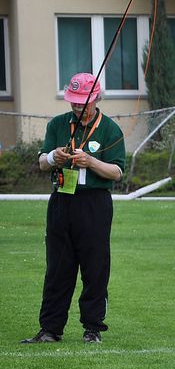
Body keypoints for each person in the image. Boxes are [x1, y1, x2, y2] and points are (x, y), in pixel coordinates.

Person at [21, 73, 126, 344]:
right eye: (74, 101)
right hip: (62, 200)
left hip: (94, 203)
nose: (78, 106)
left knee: (95, 267)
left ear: (97, 98)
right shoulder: (58, 124)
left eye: (83, 102)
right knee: (58, 267)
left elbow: (116, 172)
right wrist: (53, 157)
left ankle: (92, 328)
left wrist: (91, 162)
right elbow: (42, 162)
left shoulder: (110, 129)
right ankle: (50, 329)